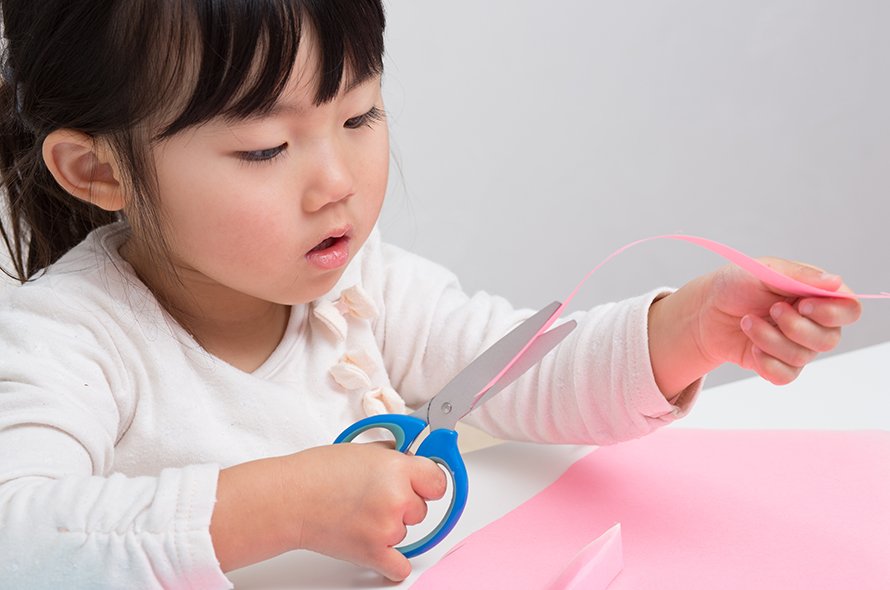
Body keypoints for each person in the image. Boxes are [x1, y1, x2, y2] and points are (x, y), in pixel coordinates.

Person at [0, 1, 861, 588]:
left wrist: (690, 330)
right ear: (99, 169)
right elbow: (20, 534)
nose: (335, 182)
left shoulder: (362, 290)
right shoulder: (65, 340)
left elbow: (518, 368)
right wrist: (288, 504)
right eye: (265, 150)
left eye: (360, 116)